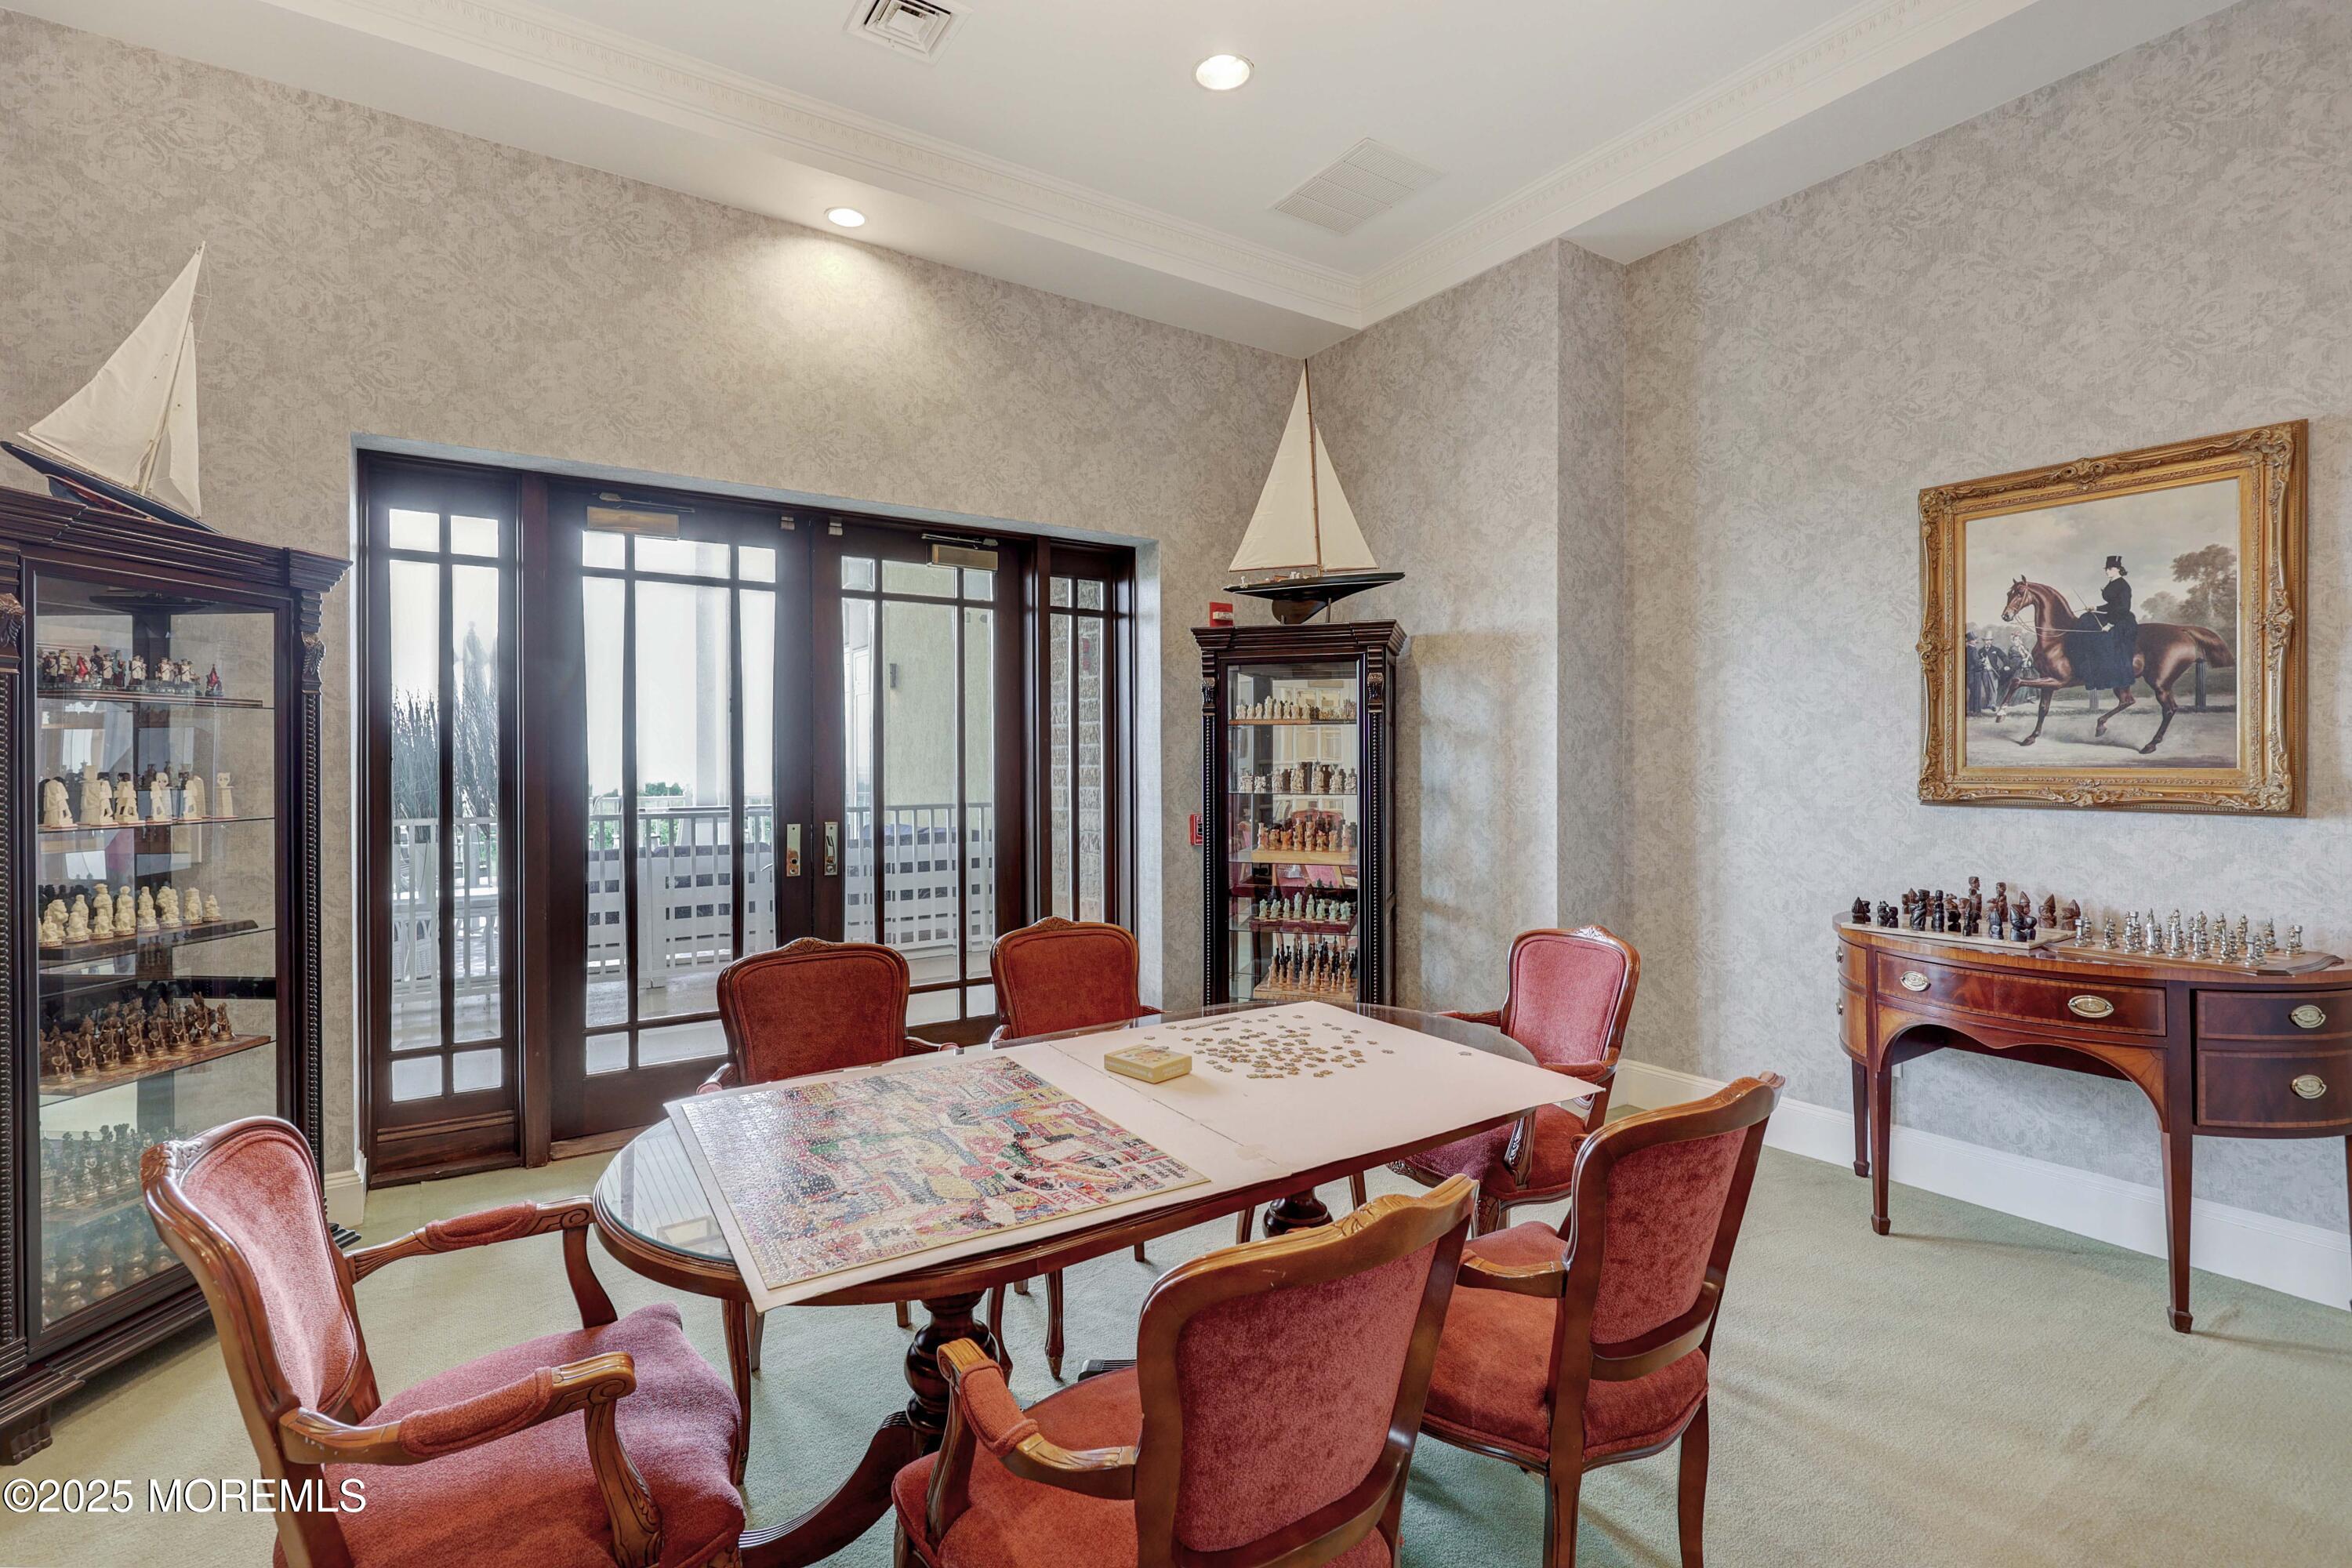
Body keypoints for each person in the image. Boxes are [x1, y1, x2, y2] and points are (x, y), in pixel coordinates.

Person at [2078, 554, 2137, 689]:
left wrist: (2110, 625)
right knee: (2086, 619)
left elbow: (2123, 608)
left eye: (2110, 569)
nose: (2107, 571)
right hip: (2113, 615)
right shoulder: (2112, 583)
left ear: (2118, 569)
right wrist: (2096, 608)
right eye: (2106, 569)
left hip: (2122, 620)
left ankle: (2107, 677)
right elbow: (2112, 605)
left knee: (2103, 641)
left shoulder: (2123, 586)